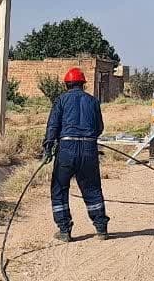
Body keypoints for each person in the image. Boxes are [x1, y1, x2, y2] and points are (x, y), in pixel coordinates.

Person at [44, 67, 109, 242]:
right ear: (83, 84)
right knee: (92, 189)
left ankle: (64, 230)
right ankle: (101, 229)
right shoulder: (93, 101)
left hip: (66, 148)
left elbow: (52, 126)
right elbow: (99, 127)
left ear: (67, 84)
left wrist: (48, 147)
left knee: (59, 189)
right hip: (88, 149)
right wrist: (88, 138)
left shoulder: (61, 100)